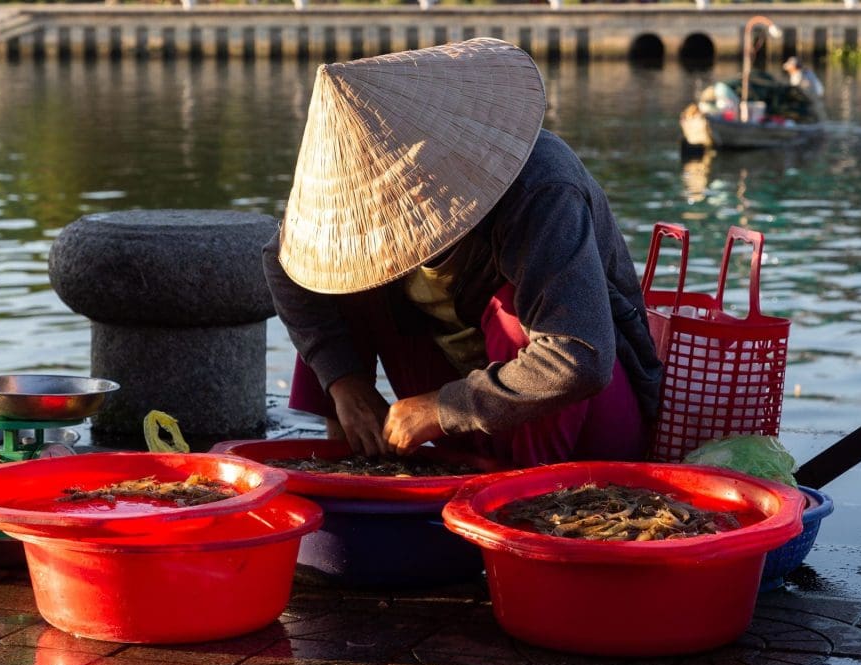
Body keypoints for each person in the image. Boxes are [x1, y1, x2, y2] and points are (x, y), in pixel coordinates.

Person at [263, 38, 662, 468]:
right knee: (331, 270)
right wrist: (344, 382)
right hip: (465, 417)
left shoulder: (541, 191)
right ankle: (351, 459)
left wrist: (441, 409)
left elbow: (580, 357)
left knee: (513, 317)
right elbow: (283, 263)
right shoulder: (352, 218)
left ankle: (512, 501)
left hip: (585, 430)